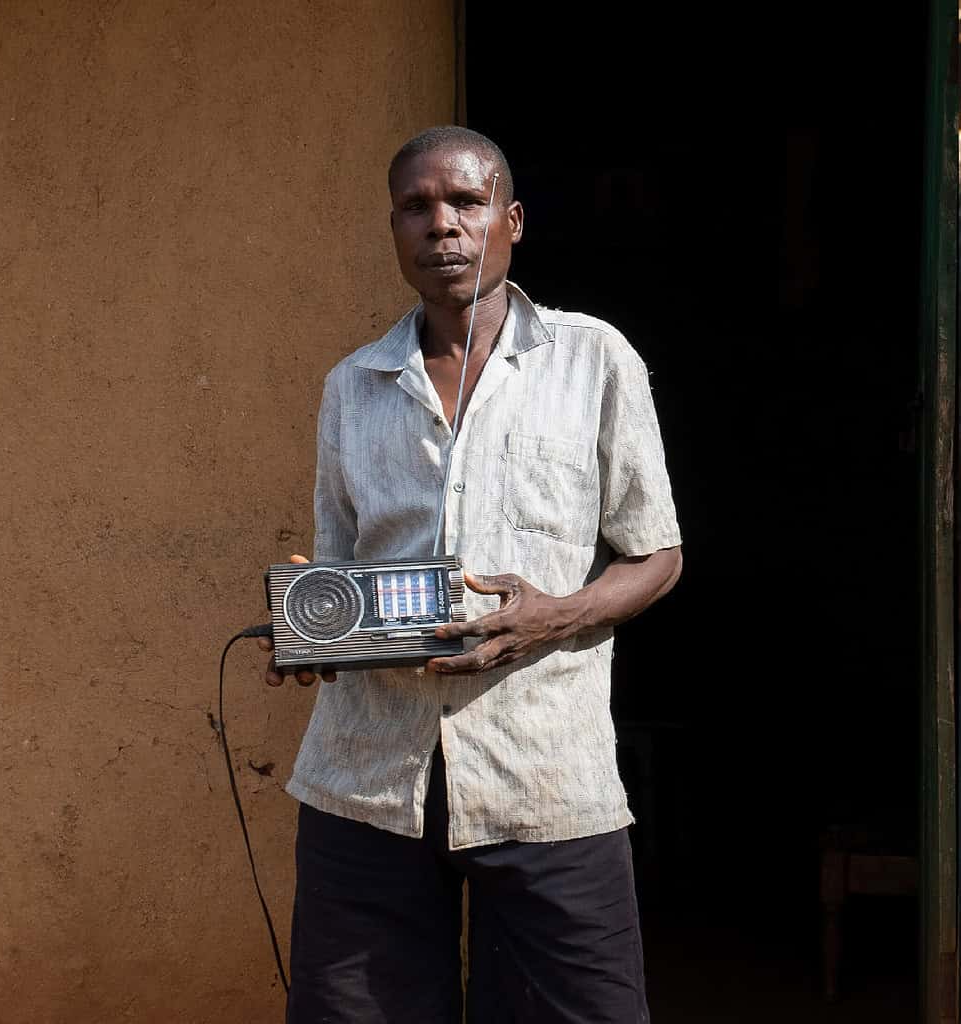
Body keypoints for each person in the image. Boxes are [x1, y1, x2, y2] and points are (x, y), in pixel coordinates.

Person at [260, 126, 682, 1023]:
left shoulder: (591, 359)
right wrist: (312, 637)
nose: (442, 226)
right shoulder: (353, 386)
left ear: (511, 220)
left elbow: (658, 554)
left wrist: (552, 617)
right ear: (394, 231)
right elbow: (333, 566)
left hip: (544, 771)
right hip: (369, 777)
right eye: (417, 208)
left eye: (465, 203)